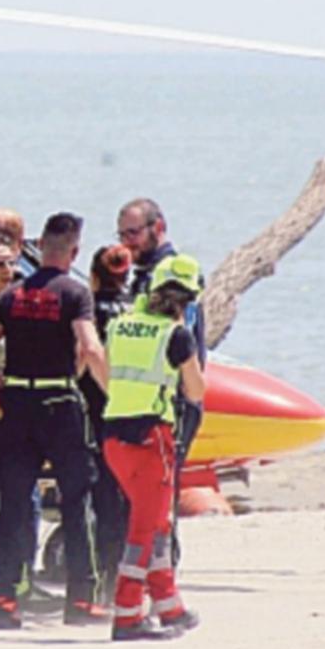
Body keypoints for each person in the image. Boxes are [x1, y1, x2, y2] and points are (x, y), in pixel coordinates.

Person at [0, 212, 108, 629]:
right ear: (74, 251)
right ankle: (81, 600)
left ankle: (3, 599)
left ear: (37, 248)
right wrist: (108, 392)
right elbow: (90, 346)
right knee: (76, 499)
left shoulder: (11, 296)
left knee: (12, 503)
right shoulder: (75, 293)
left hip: (17, 403)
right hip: (58, 400)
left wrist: (2, 385)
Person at [100, 253, 206, 641]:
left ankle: (168, 605)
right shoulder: (175, 335)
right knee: (145, 528)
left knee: (157, 522)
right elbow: (195, 391)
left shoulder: (120, 324)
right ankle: (127, 614)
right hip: (151, 438)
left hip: (113, 436)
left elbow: (103, 368)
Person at [118, 198, 206, 554]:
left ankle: (162, 569)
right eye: (122, 234)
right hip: (147, 401)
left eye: (134, 233)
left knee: (160, 494)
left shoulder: (174, 272)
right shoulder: (138, 273)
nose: (128, 242)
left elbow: (180, 338)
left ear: (159, 227)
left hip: (175, 401)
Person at [82, 244, 134, 598]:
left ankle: (102, 577)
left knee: (100, 498)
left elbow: (85, 356)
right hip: (134, 411)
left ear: (95, 276)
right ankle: (128, 578)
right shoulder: (138, 314)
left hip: (95, 410)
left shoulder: (88, 313)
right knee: (129, 497)